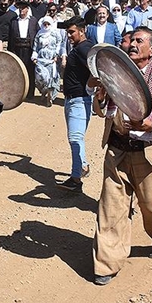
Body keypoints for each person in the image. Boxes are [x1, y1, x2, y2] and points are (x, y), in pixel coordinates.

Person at [92, 26, 152, 286]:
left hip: (149, 154)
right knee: (111, 208)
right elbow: (100, 112)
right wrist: (99, 98)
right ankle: (106, 263)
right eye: (131, 40)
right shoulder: (115, 75)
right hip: (117, 150)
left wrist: (151, 126)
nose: (132, 44)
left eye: (139, 41)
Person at [57, 17, 95, 192]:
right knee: (75, 138)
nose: (69, 35)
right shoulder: (79, 48)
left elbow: (97, 72)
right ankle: (81, 167)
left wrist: (89, 88)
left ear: (82, 30)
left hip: (79, 100)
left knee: (75, 138)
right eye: (67, 32)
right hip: (73, 100)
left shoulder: (84, 49)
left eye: (72, 32)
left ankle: (76, 177)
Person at [8, 0, 39, 98]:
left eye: (23, 8)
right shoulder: (14, 21)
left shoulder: (33, 21)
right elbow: (10, 36)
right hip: (17, 48)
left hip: (29, 49)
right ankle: (18, 93)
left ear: (27, 9)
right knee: (17, 71)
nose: (21, 10)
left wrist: (35, 51)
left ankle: (30, 93)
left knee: (30, 71)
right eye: (20, 8)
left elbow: (37, 35)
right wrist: (11, 51)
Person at [33, 15, 63, 107]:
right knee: (40, 79)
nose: (46, 25)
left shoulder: (55, 33)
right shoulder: (39, 34)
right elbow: (35, 46)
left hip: (51, 60)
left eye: (48, 23)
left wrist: (57, 55)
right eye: (44, 23)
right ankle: (43, 92)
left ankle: (49, 97)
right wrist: (34, 56)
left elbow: (59, 44)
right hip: (41, 59)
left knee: (50, 79)